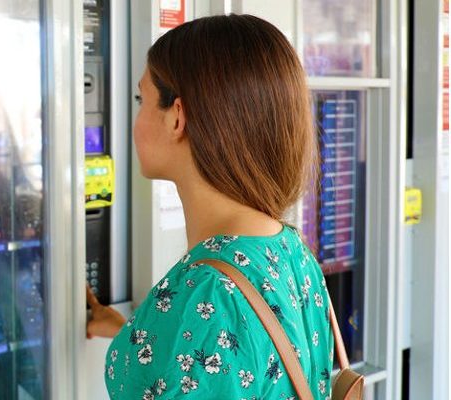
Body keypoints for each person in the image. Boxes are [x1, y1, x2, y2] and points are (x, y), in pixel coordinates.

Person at [86, 14, 333, 399]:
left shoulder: (213, 294)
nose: (135, 117)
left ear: (177, 118)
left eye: (142, 99)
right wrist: (130, 333)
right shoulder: (290, 250)